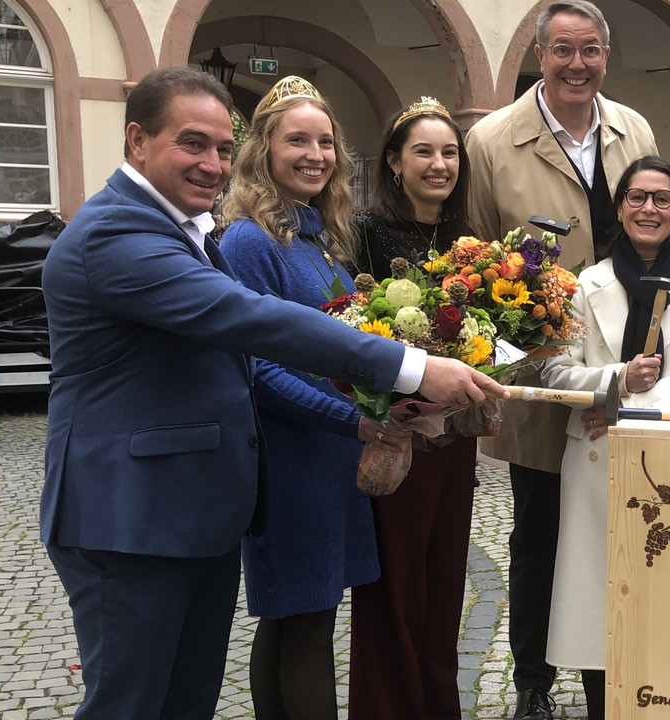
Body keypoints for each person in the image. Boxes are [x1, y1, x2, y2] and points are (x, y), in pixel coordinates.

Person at [39, 67, 505, 720]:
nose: (211, 163)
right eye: (192, 144)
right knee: (133, 702)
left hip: (196, 507)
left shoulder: (197, 233)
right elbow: (255, 324)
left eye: (222, 149)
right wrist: (411, 370)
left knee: (187, 699)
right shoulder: (120, 235)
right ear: (137, 141)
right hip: (129, 516)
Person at [465, 3, 657, 717]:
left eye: (591, 51)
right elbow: (476, 261)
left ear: (607, 54)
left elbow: (655, 224)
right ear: (539, 54)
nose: (577, 65)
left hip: (625, 364)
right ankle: (534, 685)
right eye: (562, 51)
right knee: (540, 537)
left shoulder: (633, 128)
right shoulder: (491, 141)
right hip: (541, 377)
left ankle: (616, 676)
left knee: (622, 526)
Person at [217, 76, 398, 720]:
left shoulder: (320, 242)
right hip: (291, 459)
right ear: (263, 150)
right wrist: (354, 420)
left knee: (294, 623)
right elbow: (257, 368)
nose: (315, 154)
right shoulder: (248, 241)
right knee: (306, 627)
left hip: (330, 458)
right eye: (297, 140)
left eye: (325, 141)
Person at [540, 155, 670, 720]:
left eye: (662, 198)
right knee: (598, 602)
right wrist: (614, 378)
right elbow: (555, 370)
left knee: (667, 596)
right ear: (620, 209)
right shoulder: (584, 283)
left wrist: (629, 408)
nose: (649, 208)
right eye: (637, 197)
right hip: (597, 464)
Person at [348, 96, 479, 720]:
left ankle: (437, 703)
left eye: (449, 152)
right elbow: (351, 333)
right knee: (395, 583)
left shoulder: (466, 240)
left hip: (453, 434)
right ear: (394, 163)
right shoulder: (366, 234)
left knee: (445, 576)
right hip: (396, 429)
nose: (438, 164)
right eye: (423, 152)